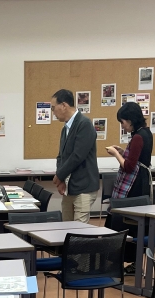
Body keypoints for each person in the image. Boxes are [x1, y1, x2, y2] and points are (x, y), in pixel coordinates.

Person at [51, 89, 100, 223]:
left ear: (64, 105)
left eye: (53, 108)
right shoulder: (65, 128)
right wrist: (61, 179)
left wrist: (59, 176)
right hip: (70, 187)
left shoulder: (84, 124)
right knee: (66, 227)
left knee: (79, 230)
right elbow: (61, 156)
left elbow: (77, 156)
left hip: (84, 188)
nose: (53, 112)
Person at [105, 101, 153, 201]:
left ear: (130, 121)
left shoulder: (138, 137)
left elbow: (129, 167)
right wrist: (122, 152)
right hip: (143, 180)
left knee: (127, 209)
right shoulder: (146, 132)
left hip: (135, 183)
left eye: (122, 122)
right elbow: (139, 157)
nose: (122, 126)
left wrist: (116, 154)